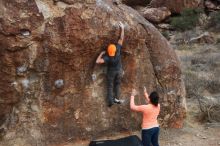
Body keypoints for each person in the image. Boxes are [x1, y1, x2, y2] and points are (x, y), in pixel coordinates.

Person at [96, 22, 125, 107]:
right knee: (117, 84)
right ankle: (117, 98)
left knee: (110, 86)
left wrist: (101, 54)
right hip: (119, 71)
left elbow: (98, 61)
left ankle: (110, 101)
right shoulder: (118, 51)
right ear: (115, 50)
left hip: (111, 73)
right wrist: (122, 28)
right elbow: (121, 38)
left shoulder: (107, 57)